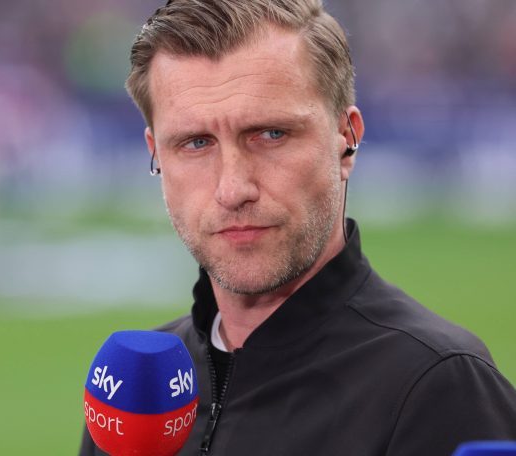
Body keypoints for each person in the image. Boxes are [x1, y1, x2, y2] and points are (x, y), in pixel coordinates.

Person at [80, 1, 516, 454]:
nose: (233, 189)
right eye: (195, 143)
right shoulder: (130, 393)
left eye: (271, 134)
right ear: (156, 154)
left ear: (347, 139)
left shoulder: (439, 386)